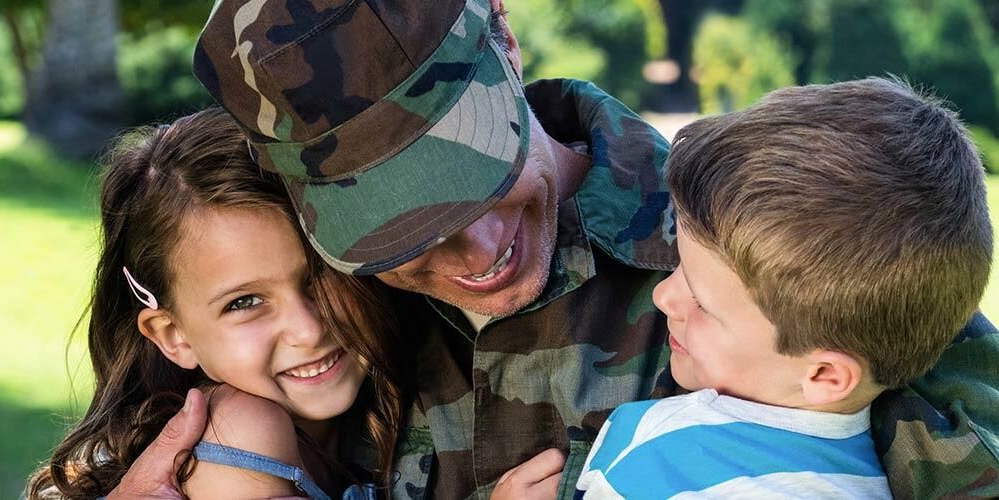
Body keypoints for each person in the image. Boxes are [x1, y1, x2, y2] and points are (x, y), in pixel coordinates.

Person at [111, 0, 999, 498]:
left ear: (502, 29)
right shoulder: (318, 317)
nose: (481, 249)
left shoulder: (761, 251)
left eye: (485, 172)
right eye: (403, 227)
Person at [575, 78, 991, 498]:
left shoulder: (708, 474)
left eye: (702, 303)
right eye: (679, 265)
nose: (663, 296)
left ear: (825, 374)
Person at [25, 109, 409, 499]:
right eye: (244, 302)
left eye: (322, 273)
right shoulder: (239, 429)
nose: (308, 329)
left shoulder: (401, 399)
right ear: (174, 336)